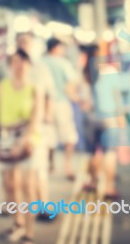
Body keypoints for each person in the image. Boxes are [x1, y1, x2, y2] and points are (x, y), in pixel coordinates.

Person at [0, 49, 42, 244]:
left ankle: (29, 231)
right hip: (5, 138)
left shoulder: (35, 88)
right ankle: (17, 222)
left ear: (29, 65)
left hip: (27, 140)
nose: (19, 66)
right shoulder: (2, 87)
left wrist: (24, 141)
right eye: (15, 62)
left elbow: (36, 118)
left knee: (28, 184)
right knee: (10, 185)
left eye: (22, 62)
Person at [77, 45, 119, 198]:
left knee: (92, 152)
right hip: (108, 117)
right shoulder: (110, 72)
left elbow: (69, 89)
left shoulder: (83, 73)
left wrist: (81, 102)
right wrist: (120, 118)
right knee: (109, 153)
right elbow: (117, 97)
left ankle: (93, 182)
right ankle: (109, 188)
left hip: (89, 117)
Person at [41, 38, 79, 180]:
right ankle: (67, 166)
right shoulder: (63, 63)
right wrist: (77, 99)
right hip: (61, 103)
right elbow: (70, 85)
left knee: (48, 136)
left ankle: (50, 164)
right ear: (55, 48)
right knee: (69, 136)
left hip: (44, 106)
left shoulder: (40, 63)